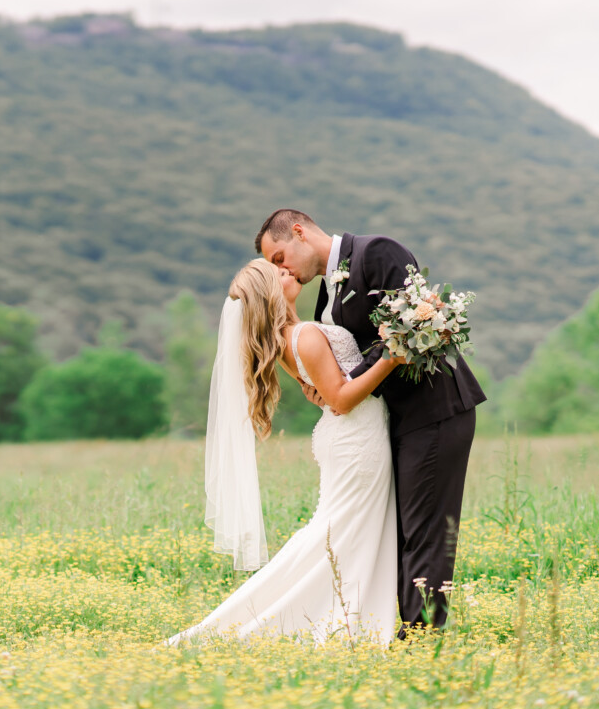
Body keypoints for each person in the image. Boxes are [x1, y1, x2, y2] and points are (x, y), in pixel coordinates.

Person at [257, 209, 485, 631]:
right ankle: (402, 626)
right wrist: (324, 389)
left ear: (300, 232)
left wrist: (341, 390)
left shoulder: (376, 253)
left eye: (279, 257)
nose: (282, 270)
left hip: (433, 410)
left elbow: (411, 329)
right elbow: (347, 360)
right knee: (399, 529)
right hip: (390, 421)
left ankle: (422, 636)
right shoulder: (326, 297)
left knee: (425, 530)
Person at [169, 258, 402, 645]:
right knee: (338, 534)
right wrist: (392, 356)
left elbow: (324, 393)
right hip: (355, 437)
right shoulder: (304, 336)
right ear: (269, 293)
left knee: (342, 532)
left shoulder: (286, 338)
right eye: (277, 273)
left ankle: (345, 615)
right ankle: (325, 619)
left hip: (350, 438)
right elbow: (341, 400)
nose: (288, 271)